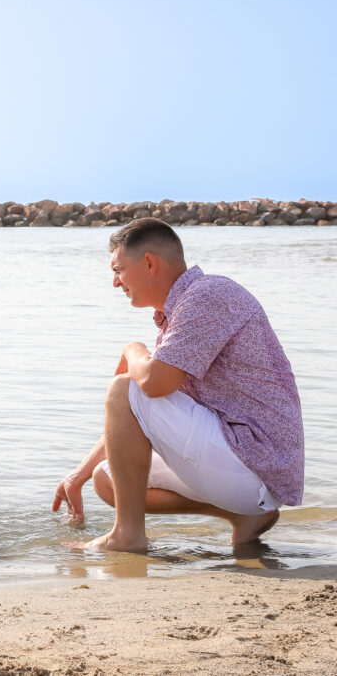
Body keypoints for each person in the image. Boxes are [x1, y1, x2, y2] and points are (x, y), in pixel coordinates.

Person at [53, 218, 303, 552]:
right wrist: (78, 475)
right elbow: (142, 408)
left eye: (118, 269)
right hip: (243, 466)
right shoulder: (184, 311)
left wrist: (133, 349)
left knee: (123, 387)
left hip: (256, 461)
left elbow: (151, 385)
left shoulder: (209, 295)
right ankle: (243, 517)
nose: (115, 282)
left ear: (149, 263)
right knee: (106, 478)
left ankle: (126, 537)